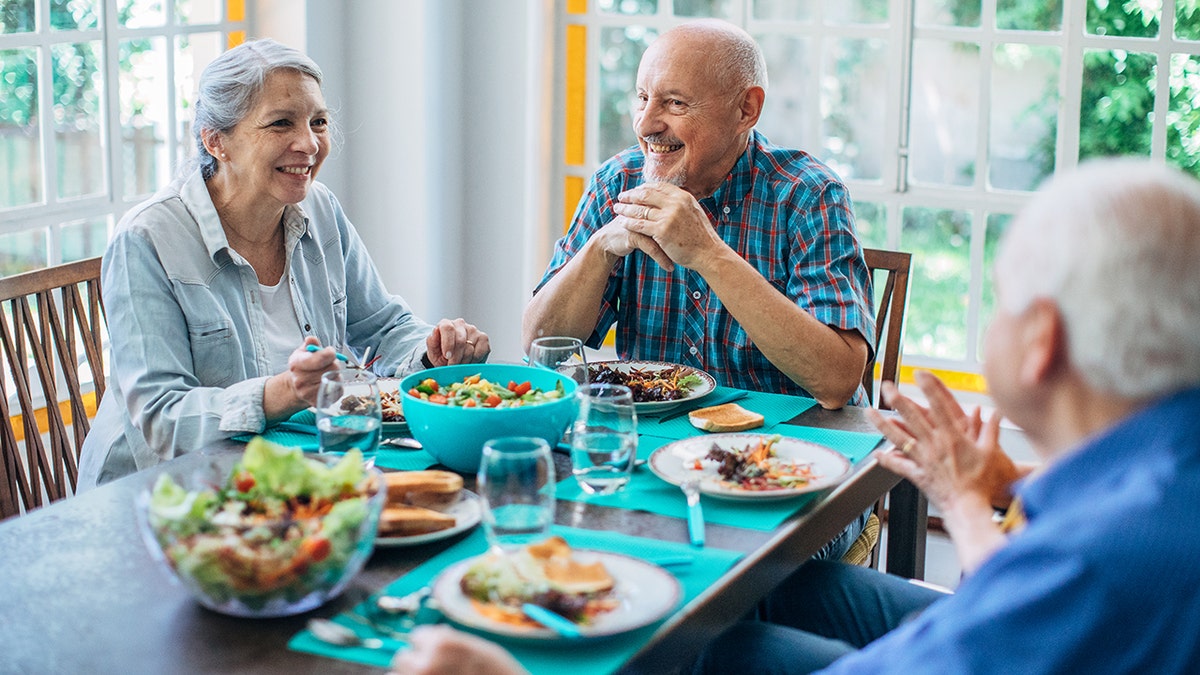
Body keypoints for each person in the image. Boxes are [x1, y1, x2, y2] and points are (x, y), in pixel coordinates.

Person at [689, 158, 1200, 673]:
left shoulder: (1093, 560)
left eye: (1001, 301)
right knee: (784, 592)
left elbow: (1020, 608)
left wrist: (962, 502)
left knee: (710, 650)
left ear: (1041, 340)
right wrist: (1009, 485)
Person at [77, 39, 489, 488]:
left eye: (319, 122)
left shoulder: (321, 208)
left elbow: (385, 326)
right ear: (216, 141)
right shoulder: (146, 239)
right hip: (163, 497)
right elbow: (162, 418)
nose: (309, 144)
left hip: (287, 475)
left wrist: (433, 349)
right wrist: (284, 392)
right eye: (280, 123)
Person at [522, 19, 875, 412]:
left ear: (746, 109)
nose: (645, 124)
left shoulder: (808, 194)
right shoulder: (617, 182)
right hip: (655, 437)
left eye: (675, 103)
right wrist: (603, 245)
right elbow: (541, 348)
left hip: (791, 449)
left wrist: (708, 253)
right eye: (642, 97)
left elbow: (837, 381)